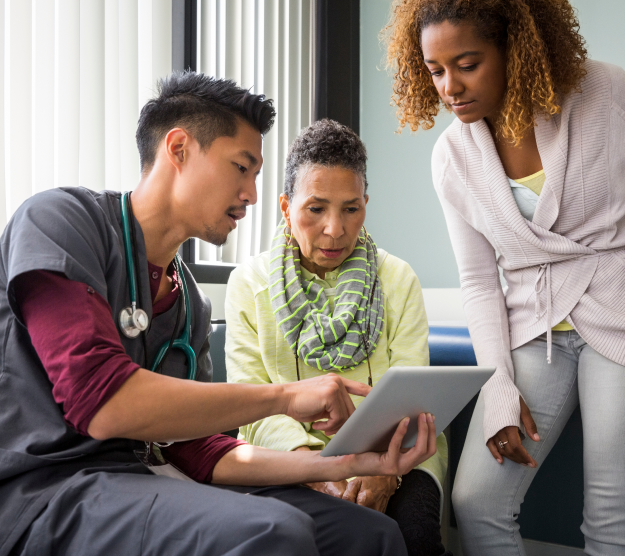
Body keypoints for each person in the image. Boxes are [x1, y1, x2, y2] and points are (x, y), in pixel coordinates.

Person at [0, 73, 439, 556]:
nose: (252, 194)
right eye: (241, 168)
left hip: (142, 479)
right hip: (44, 489)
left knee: (370, 534)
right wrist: (286, 397)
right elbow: (103, 404)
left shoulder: (189, 299)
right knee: (273, 531)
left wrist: (347, 464)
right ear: (179, 149)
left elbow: (198, 449)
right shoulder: (60, 221)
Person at [384, 0, 625, 554]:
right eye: (435, 69)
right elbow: (478, 280)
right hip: (534, 332)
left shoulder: (606, 95)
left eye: (467, 64)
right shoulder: (451, 158)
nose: (450, 87)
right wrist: (496, 389)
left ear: (515, 49)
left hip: (614, 316)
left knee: (610, 517)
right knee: (476, 503)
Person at [225, 119, 451, 556]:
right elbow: (250, 405)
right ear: (286, 206)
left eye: (351, 208)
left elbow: (413, 395)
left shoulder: (397, 278)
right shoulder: (248, 284)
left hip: (401, 451)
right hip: (289, 457)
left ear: (366, 203)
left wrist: (384, 468)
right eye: (316, 209)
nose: (335, 229)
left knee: (415, 537)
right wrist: (310, 466)